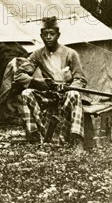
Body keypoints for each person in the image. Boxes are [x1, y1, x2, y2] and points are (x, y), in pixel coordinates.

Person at [14, 16, 86, 149]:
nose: (48, 37)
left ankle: (77, 140)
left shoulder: (70, 53)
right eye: (45, 34)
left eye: (52, 33)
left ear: (58, 34)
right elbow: (18, 75)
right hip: (47, 95)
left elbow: (80, 80)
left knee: (75, 94)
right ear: (41, 35)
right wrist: (37, 82)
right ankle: (35, 137)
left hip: (65, 96)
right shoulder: (37, 55)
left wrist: (68, 87)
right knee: (26, 93)